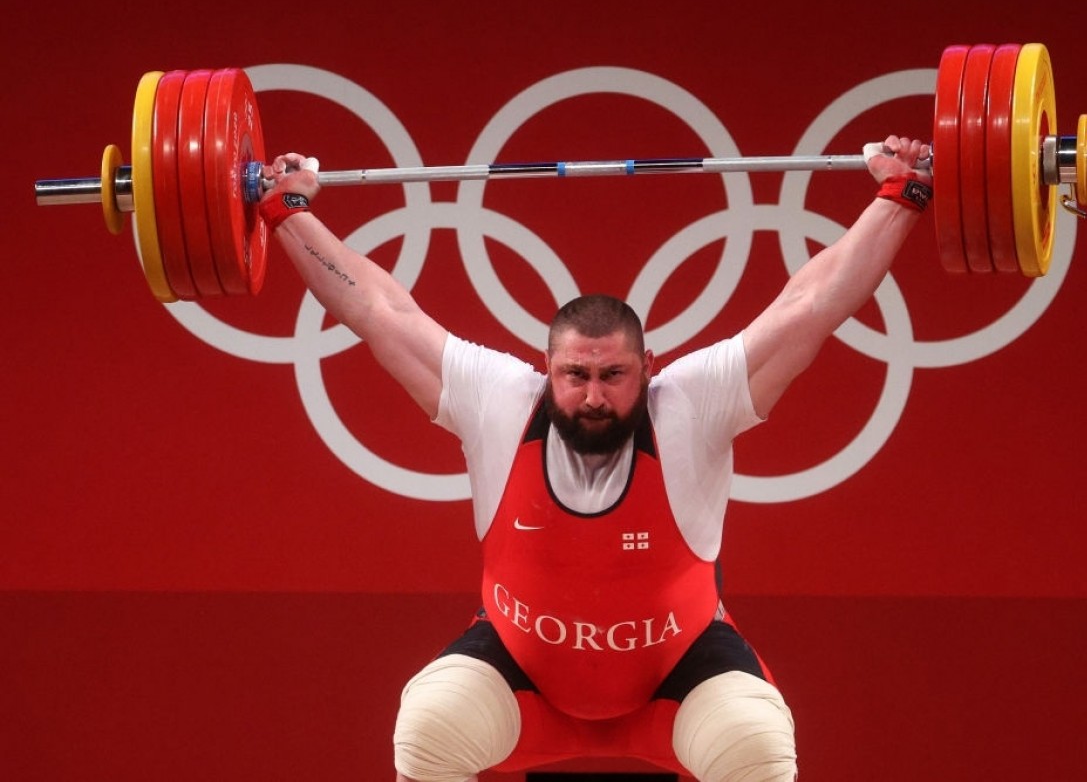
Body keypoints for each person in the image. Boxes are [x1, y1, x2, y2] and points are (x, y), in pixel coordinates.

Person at [258, 135, 932, 782]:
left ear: (648, 368)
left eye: (613, 376)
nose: (593, 397)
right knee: (429, 726)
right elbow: (378, 309)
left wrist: (900, 196)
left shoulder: (691, 406)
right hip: (522, 681)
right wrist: (288, 211)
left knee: (756, 747)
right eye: (575, 375)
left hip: (679, 681)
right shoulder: (499, 401)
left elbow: (810, 307)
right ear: (547, 368)